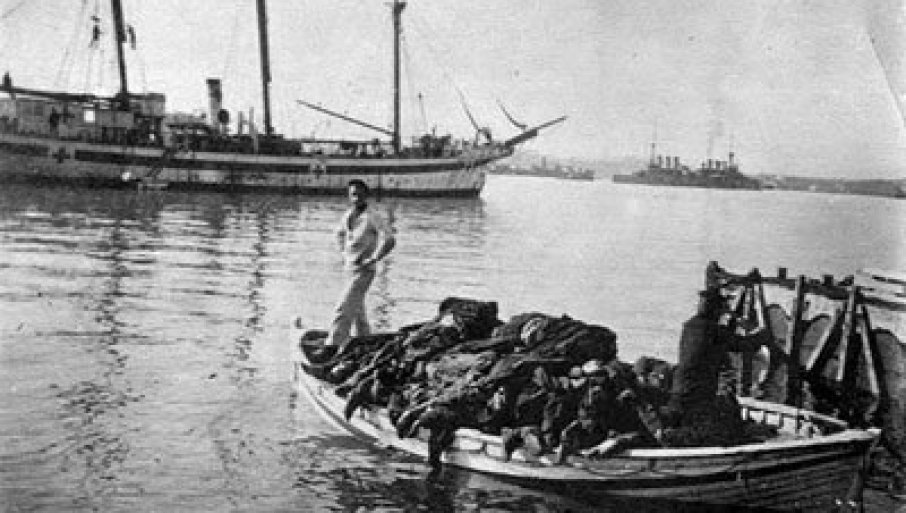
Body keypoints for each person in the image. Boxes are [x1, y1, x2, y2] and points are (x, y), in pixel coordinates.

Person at [324, 179, 395, 353]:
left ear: (366, 196)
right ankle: (365, 343)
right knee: (357, 312)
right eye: (353, 195)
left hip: (364, 271)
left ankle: (331, 347)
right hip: (349, 269)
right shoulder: (348, 215)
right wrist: (344, 254)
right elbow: (339, 234)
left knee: (343, 308)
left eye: (360, 195)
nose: (356, 198)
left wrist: (374, 258)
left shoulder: (372, 216)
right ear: (349, 196)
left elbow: (389, 239)